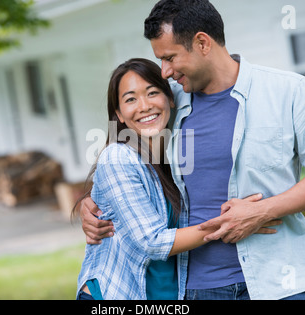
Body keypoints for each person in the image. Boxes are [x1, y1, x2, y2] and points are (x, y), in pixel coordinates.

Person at [80, 0, 305, 300]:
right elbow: (123, 148)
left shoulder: (287, 91)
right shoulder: (167, 102)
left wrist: (262, 211)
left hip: (278, 283)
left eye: (170, 57)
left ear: (202, 43)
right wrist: (92, 203)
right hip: (199, 288)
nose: (165, 71)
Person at [75, 58, 279, 300]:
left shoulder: (175, 156)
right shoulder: (118, 157)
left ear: (170, 98)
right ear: (119, 114)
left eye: (152, 93)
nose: (144, 106)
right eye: (130, 99)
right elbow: (152, 242)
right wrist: (233, 222)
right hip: (115, 293)